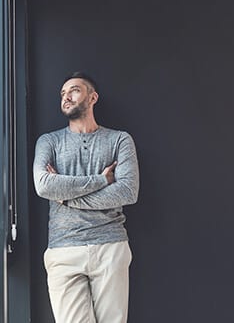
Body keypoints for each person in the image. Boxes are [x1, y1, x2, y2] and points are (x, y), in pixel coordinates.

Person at [33, 71, 140, 323]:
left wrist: (67, 198)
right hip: (63, 249)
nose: (66, 97)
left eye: (74, 90)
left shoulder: (119, 140)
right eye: (62, 93)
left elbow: (127, 191)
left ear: (93, 97)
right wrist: (102, 180)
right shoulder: (48, 142)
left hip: (110, 246)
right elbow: (44, 186)